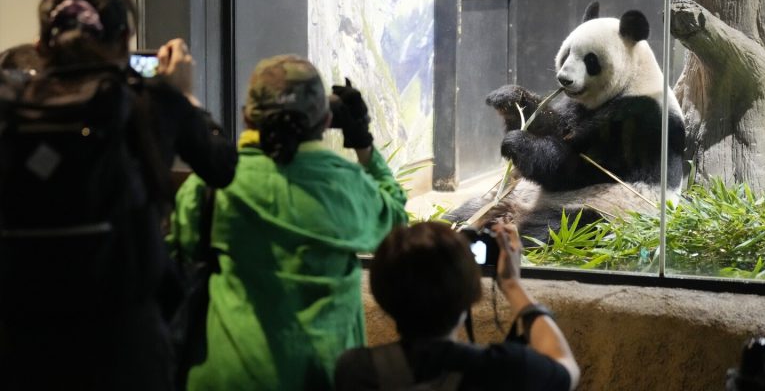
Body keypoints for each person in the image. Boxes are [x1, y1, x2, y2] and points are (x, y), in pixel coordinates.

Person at [0, 0, 237, 391]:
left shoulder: (10, 110)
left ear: (41, 45)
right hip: (124, 344)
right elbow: (223, 168)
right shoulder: (150, 102)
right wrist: (184, 97)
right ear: (125, 40)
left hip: (20, 340)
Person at [167, 54, 409, 390]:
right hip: (323, 378)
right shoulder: (347, 187)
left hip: (226, 378)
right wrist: (362, 142)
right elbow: (396, 220)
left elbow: (178, 253)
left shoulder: (210, 187)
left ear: (247, 117)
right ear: (327, 121)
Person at [335, 222, 581, 391]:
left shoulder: (355, 369)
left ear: (380, 295)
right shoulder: (506, 369)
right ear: (472, 294)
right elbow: (567, 367)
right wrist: (512, 285)